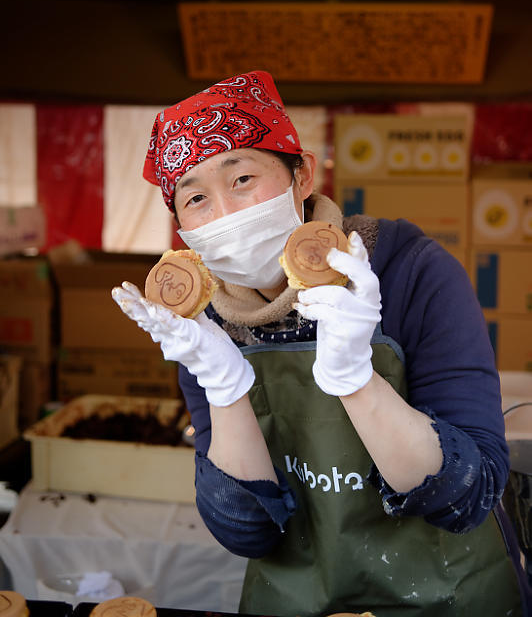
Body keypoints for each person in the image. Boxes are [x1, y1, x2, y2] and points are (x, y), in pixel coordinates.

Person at [113, 70, 530, 617]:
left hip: (448, 595)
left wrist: (357, 381)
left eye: (241, 179)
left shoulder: (412, 273)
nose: (226, 213)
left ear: (302, 175)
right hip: (298, 599)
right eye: (196, 198)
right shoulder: (198, 326)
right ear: (180, 227)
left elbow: (469, 495)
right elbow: (246, 533)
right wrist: (224, 387)